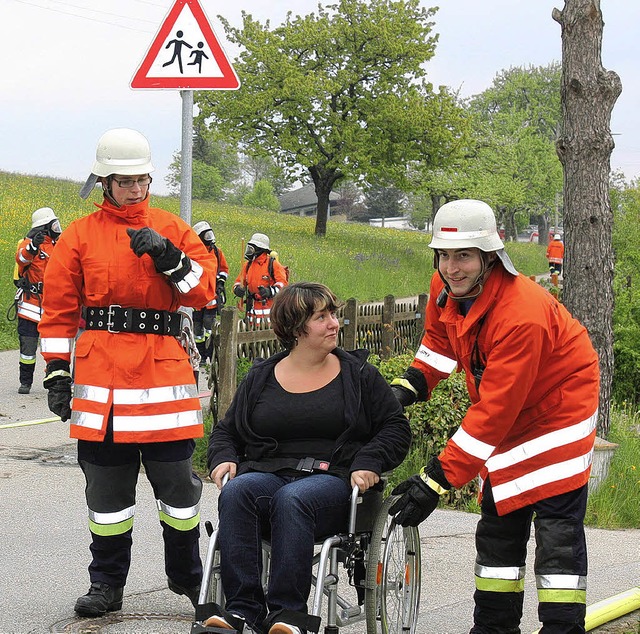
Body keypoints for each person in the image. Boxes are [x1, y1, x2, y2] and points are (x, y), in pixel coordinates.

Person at [388, 199, 599, 634]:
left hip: (559, 410)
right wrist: (410, 385)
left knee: (556, 532)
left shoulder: (522, 315)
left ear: (489, 257)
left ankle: (562, 628)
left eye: (463, 255)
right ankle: (493, 627)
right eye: (444, 256)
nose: (452, 267)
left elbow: (494, 412)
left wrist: (435, 480)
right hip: (506, 409)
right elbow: (440, 340)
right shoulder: (446, 287)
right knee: (499, 522)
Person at [38, 128, 219, 617]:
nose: (136, 190)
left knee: (180, 494)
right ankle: (106, 585)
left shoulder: (172, 228)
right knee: (106, 497)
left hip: (163, 377)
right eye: (125, 181)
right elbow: (57, 311)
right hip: (102, 381)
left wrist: (168, 257)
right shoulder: (78, 235)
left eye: (142, 180)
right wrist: (56, 372)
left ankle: (189, 581)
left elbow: (203, 293)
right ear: (105, 181)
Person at [204, 282, 411, 634]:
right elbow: (227, 431)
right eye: (322, 317)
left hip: (334, 479)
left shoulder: (358, 375)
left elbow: (395, 428)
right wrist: (222, 456)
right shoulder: (261, 377)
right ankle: (242, 610)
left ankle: (289, 615)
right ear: (296, 328)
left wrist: (368, 461)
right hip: (269, 472)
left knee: (293, 499)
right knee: (237, 492)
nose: (334, 323)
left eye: (333, 314)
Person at [13, 207, 62, 394]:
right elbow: (21, 259)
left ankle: (56, 383)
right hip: (30, 305)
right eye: (54, 224)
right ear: (44, 227)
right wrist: (33, 247)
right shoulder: (27, 244)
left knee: (54, 348)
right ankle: (25, 382)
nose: (57, 228)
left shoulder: (58, 245)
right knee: (28, 348)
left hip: (53, 305)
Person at [192, 220, 229, 366]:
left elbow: (224, 270)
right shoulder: (194, 251)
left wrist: (220, 281)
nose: (209, 237)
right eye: (206, 234)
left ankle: (210, 354)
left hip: (212, 296)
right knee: (197, 328)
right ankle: (200, 355)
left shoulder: (217, 252)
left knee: (210, 325)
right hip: (197, 296)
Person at [233, 233, 288, 326]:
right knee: (250, 333)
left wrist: (270, 291)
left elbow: (283, 284)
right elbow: (239, 281)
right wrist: (237, 289)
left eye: (251, 249)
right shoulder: (248, 265)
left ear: (260, 249)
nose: (249, 251)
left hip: (268, 310)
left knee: (266, 336)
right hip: (251, 310)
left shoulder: (273, 264)